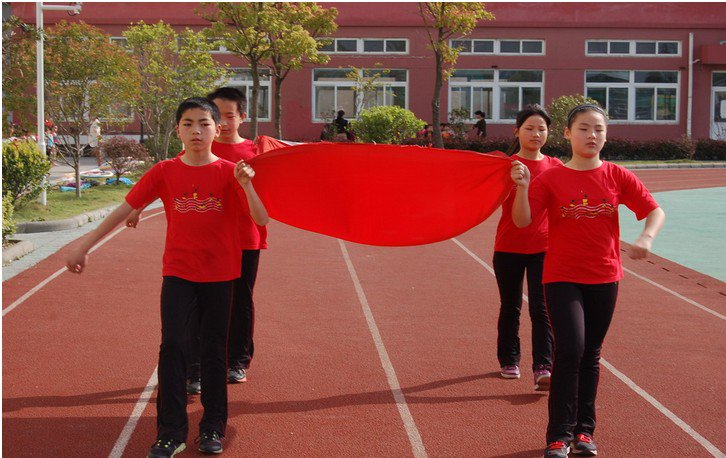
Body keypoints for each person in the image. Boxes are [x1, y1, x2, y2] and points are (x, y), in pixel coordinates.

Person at [66, 97, 270, 458]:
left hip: (222, 275)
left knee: (213, 352)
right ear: (177, 129)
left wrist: (247, 184)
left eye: (204, 124)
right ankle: (171, 432)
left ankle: (212, 428)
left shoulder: (229, 171)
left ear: (217, 129)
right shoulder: (164, 171)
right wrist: (84, 246)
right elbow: (125, 208)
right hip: (178, 274)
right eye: (188, 124)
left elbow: (261, 218)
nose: (196, 131)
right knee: (173, 345)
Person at [510, 104, 665, 458]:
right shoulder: (551, 178)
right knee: (571, 349)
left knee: (591, 354)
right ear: (567, 133)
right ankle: (558, 436)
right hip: (562, 276)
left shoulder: (616, 175)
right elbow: (522, 222)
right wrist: (521, 189)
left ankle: (584, 431)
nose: (591, 135)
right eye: (583, 128)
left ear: (606, 135)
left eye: (598, 129)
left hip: (605, 275)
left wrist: (647, 238)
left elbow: (654, 210)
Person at [493, 105, 561, 390]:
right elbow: (460, 172)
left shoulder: (556, 167)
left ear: (548, 133)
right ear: (517, 131)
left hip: (543, 248)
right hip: (508, 246)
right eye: (529, 128)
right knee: (510, 306)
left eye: (541, 129)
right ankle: (509, 359)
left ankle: (543, 366)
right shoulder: (503, 166)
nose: (536, 133)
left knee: (542, 308)